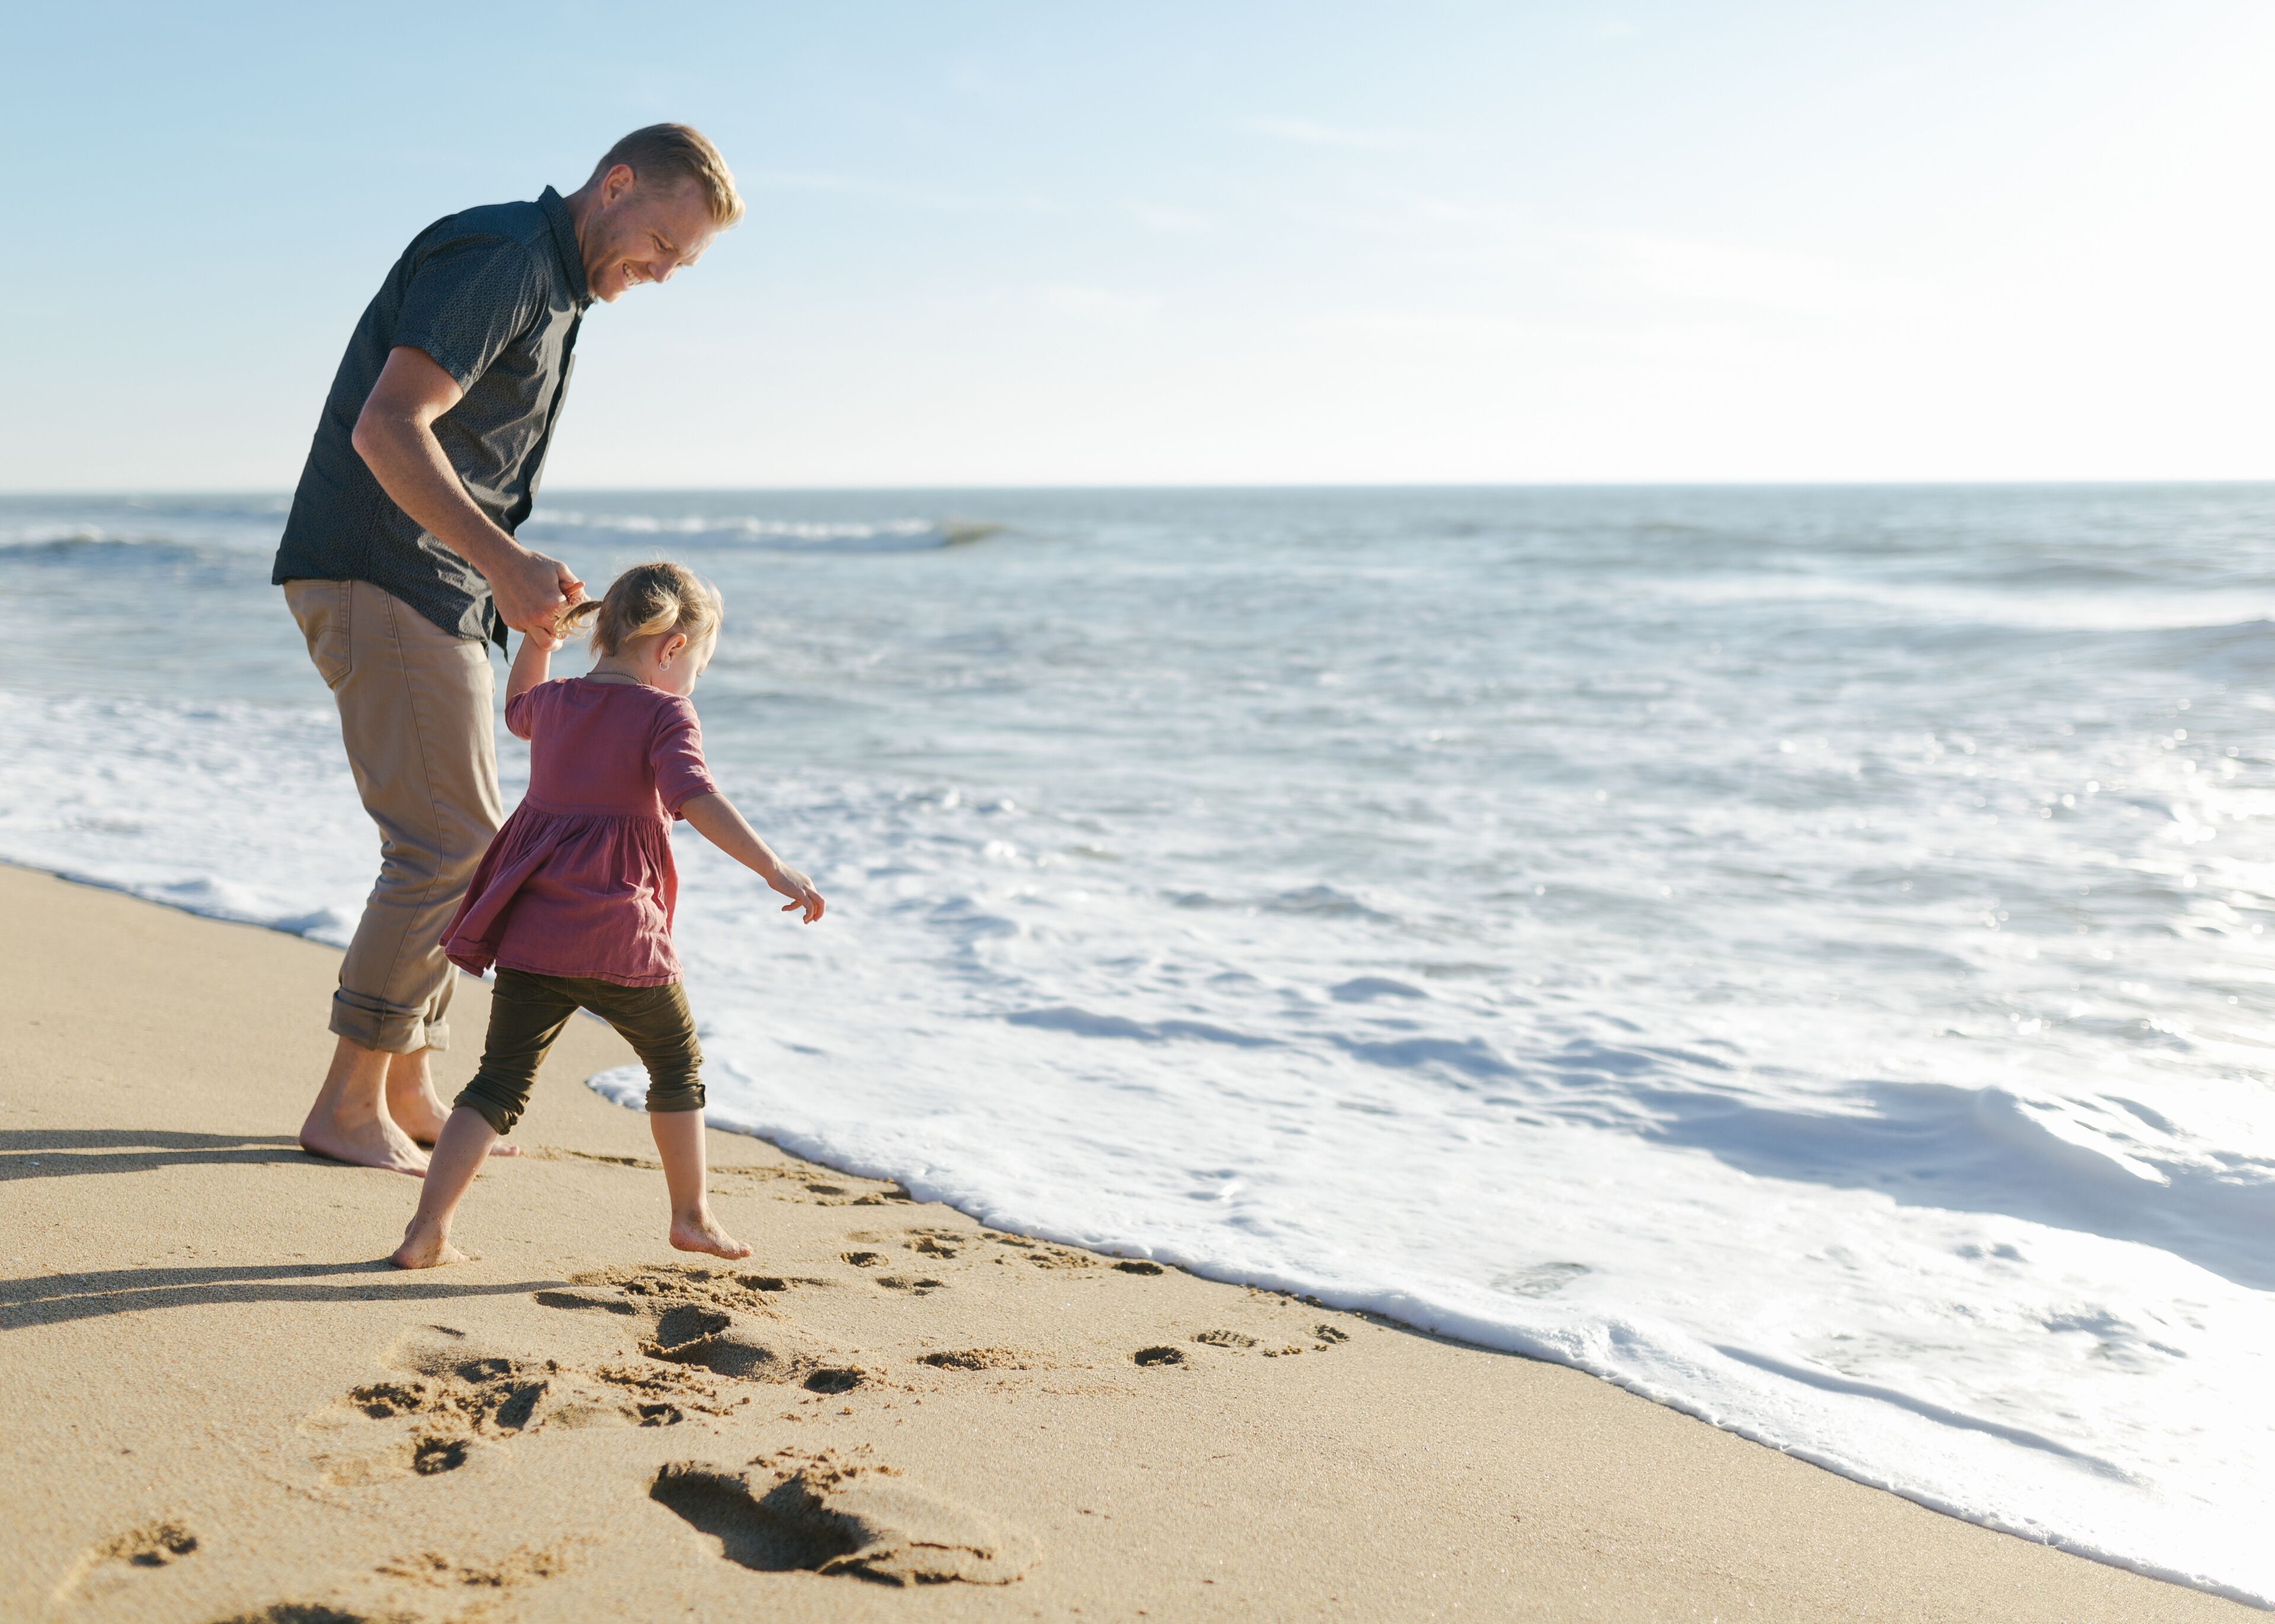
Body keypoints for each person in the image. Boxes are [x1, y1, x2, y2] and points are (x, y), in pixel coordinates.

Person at [271, 125, 744, 1174]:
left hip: (427, 584)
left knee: (477, 844)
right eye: (662, 241)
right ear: (614, 184)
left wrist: (510, 577)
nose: (663, 271)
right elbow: (389, 426)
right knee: (444, 845)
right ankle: (345, 1104)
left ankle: (406, 1079)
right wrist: (500, 560)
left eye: (683, 261)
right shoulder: (508, 260)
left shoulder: (553, 283)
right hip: (381, 570)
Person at [392, 561, 824, 1269]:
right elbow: (696, 798)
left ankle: (426, 1230)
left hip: (532, 932)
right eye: (699, 664)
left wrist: (536, 643)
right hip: (623, 938)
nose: (693, 682)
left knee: (497, 1083)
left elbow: (517, 708)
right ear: (673, 648)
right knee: (677, 1065)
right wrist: (774, 866)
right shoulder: (665, 713)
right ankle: (691, 1216)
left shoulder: (558, 701)